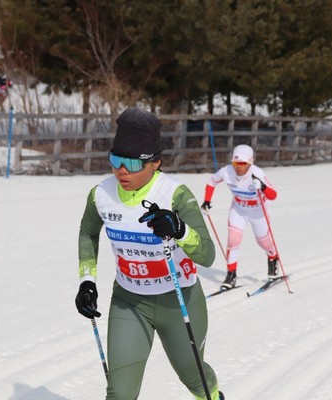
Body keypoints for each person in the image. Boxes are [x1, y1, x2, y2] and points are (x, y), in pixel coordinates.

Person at [75, 107, 223, 400]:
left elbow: (207, 255)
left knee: (195, 380)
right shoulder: (100, 195)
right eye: (115, 160)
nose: (121, 171)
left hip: (178, 299)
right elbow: (88, 234)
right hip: (130, 301)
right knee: (120, 394)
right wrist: (86, 281)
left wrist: (179, 229)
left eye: (130, 163)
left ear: (155, 163)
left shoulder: (175, 195)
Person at [200, 144, 279, 290]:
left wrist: (262, 187)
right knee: (233, 241)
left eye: (243, 163)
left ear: (250, 162)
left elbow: (273, 195)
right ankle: (231, 275)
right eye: (236, 163)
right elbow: (211, 182)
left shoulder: (257, 173)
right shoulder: (226, 172)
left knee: (264, 242)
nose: (239, 167)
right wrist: (207, 201)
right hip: (239, 209)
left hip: (257, 211)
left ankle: (273, 258)